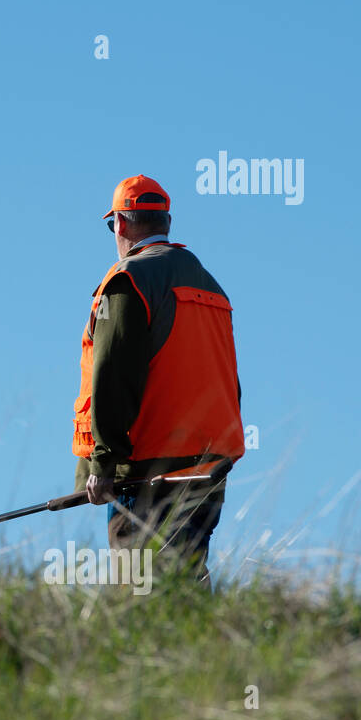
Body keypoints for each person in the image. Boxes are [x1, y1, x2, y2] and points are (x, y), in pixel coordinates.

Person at [71, 175, 245, 588]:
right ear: (165, 221)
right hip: (208, 469)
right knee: (185, 584)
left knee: (140, 593)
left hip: (148, 474)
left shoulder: (129, 282)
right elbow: (228, 380)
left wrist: (103, 464)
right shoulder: (209, 285)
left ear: (120, 225)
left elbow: (113, 376)